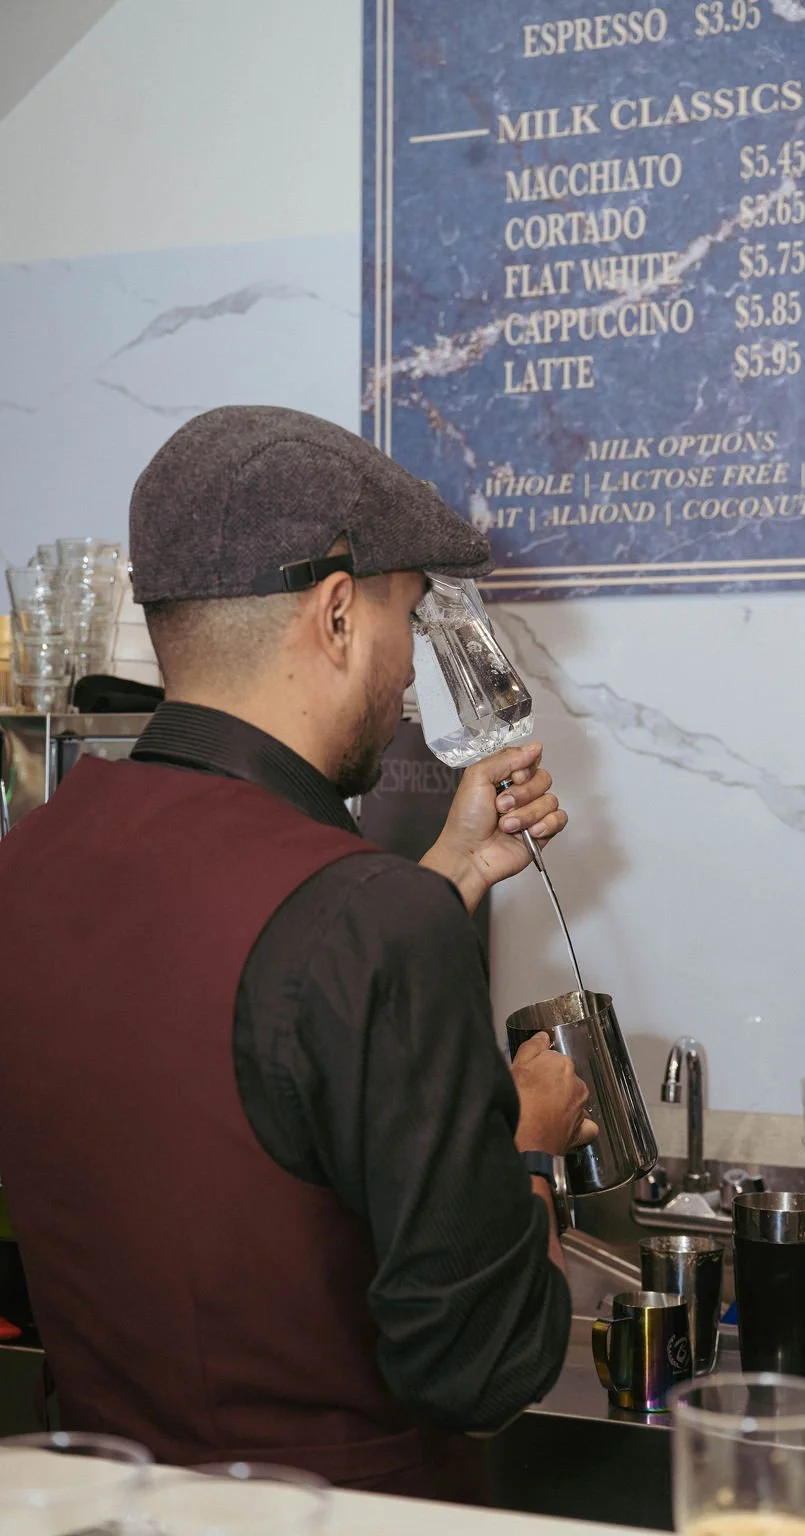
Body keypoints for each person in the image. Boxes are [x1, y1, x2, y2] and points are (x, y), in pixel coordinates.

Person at [0, 406, 595, 1497]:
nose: (409, 673)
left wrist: (447, 874)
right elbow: (482, 1369)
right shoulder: (370, 920)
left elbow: (222, 1038)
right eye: (405, 619)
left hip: (95, 1503)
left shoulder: (27, 861)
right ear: (334, 613)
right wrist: (526, 1148)